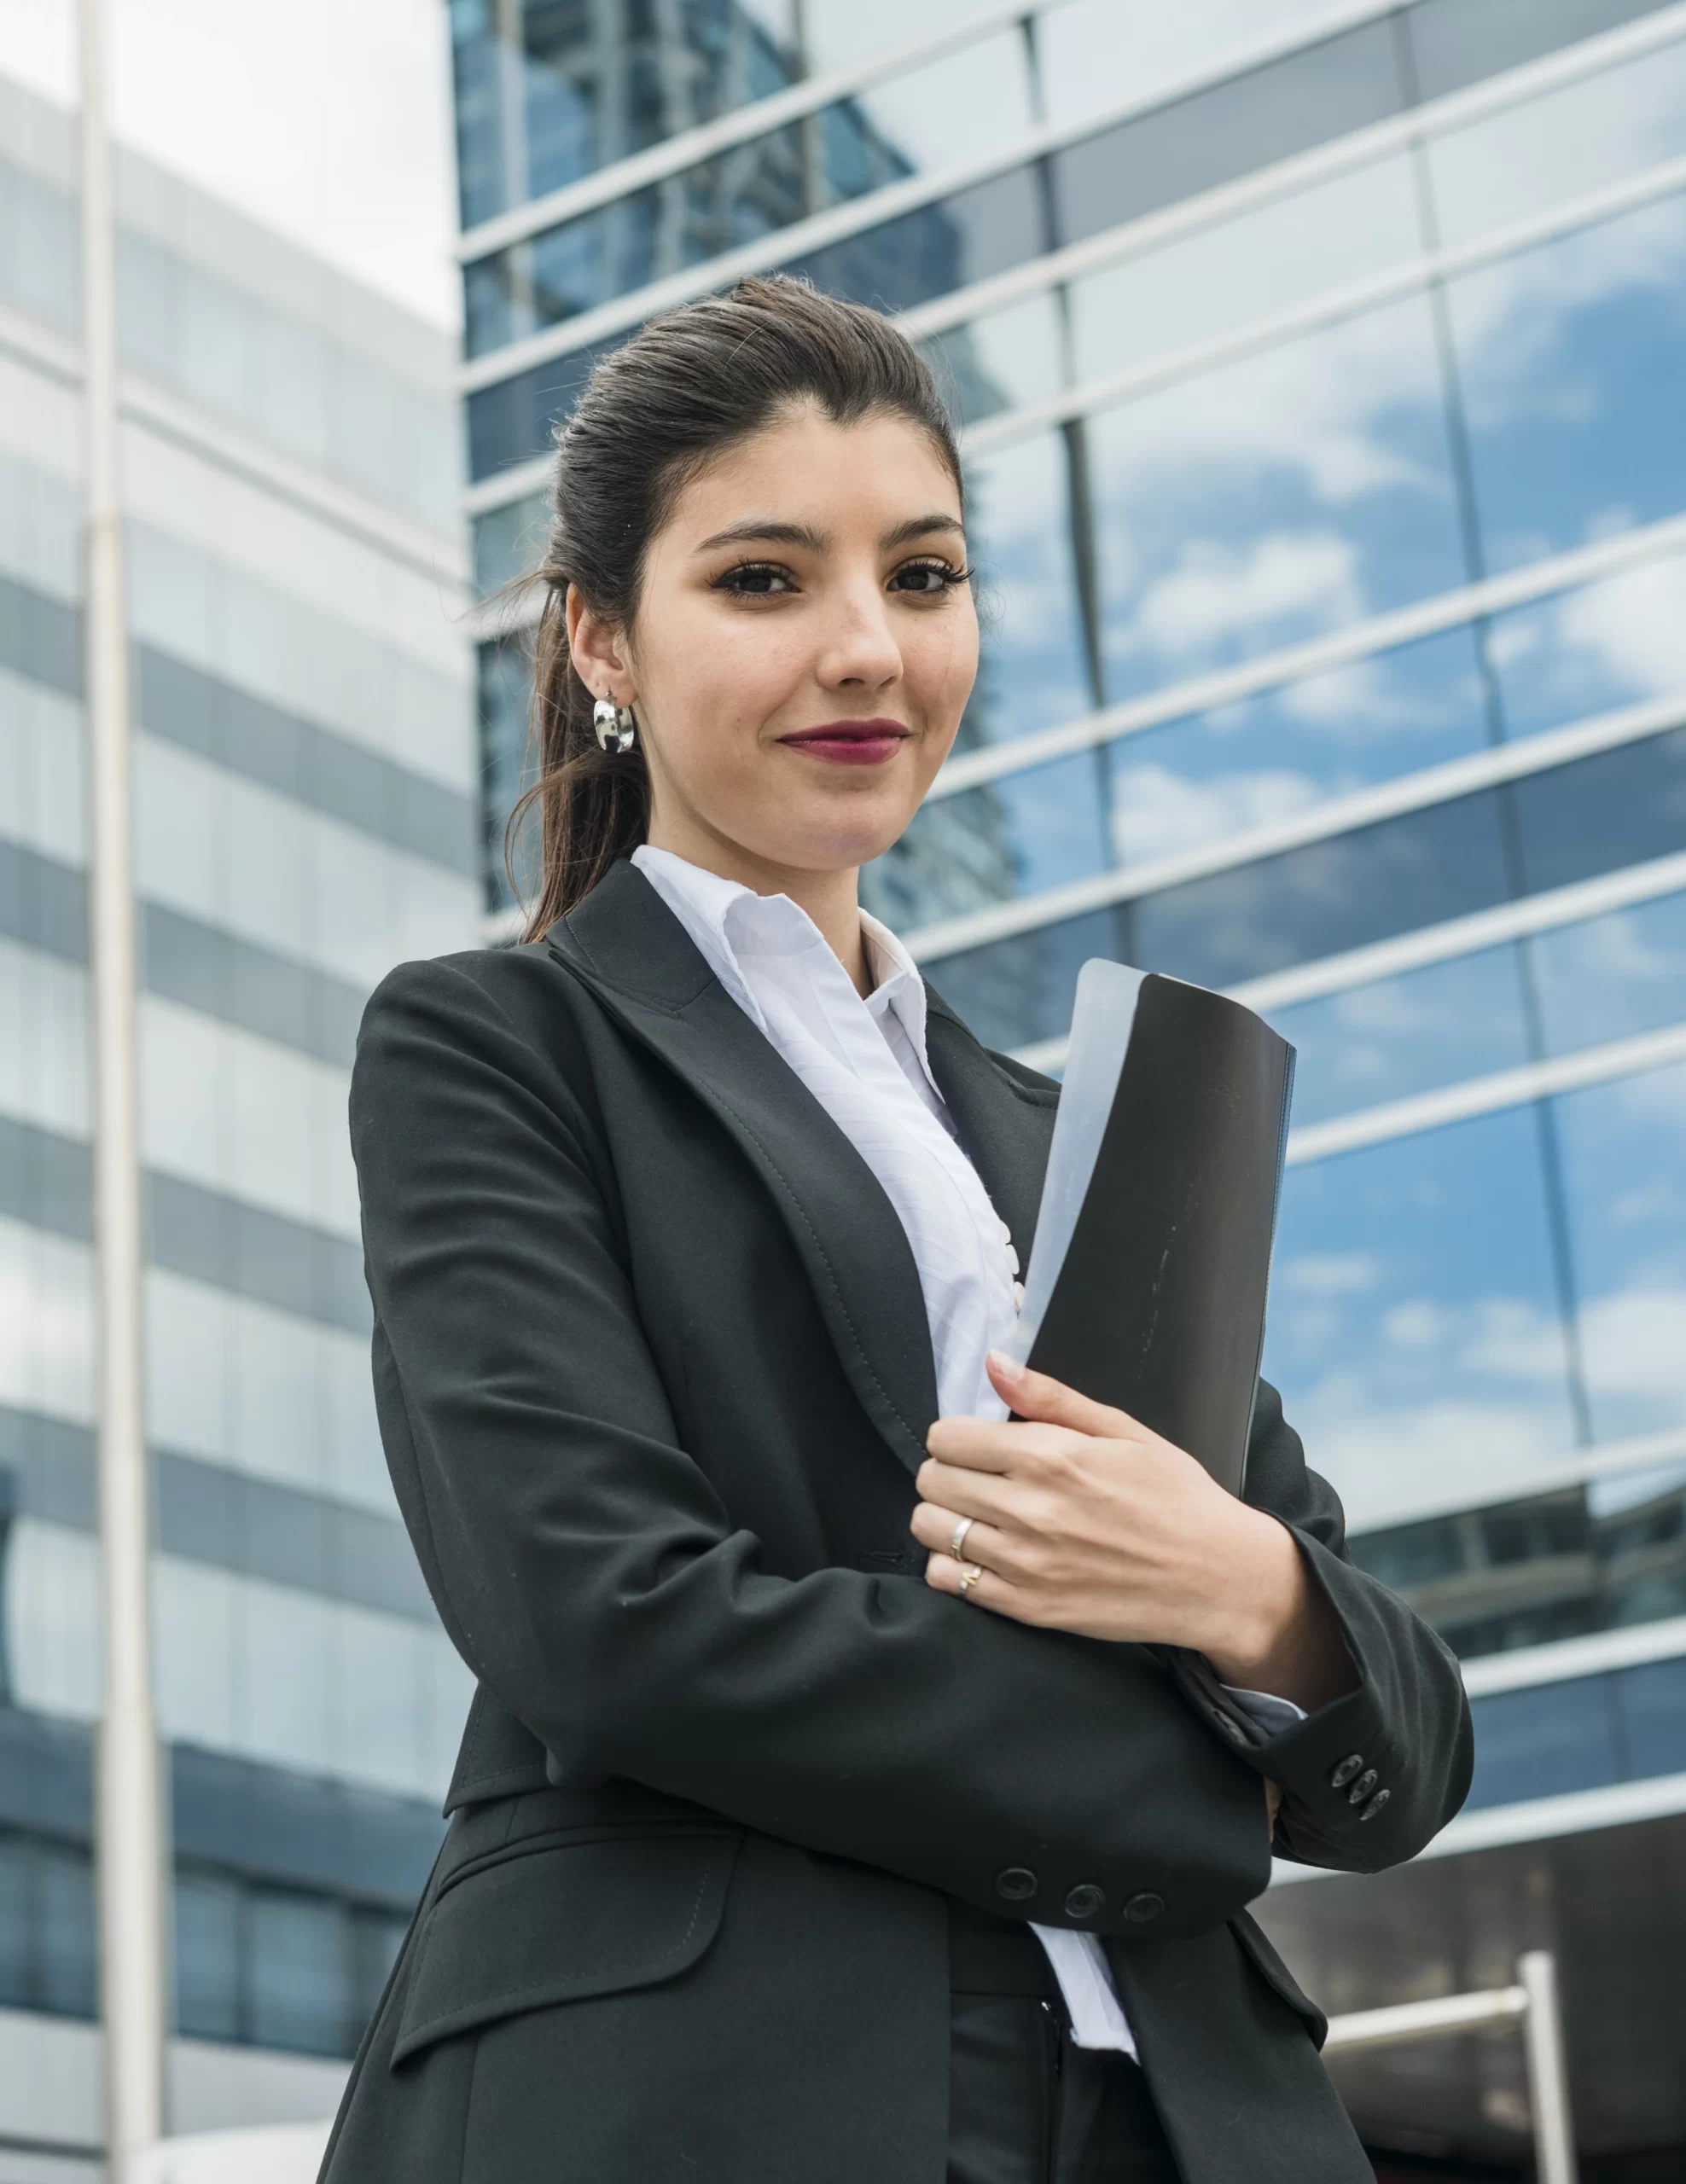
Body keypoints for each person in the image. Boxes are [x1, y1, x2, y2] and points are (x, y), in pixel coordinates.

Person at [318, 275, 1471, 2184]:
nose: (867, 647)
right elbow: (600, 1617)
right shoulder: (497, 1042)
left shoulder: (1069, 1134)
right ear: (601, 630)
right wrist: (1183, 1797)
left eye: (922, 576)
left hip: (1188, 2113)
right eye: (765, 579)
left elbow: (1401, 1747)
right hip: (721, 2086)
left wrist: (1245, 1585)